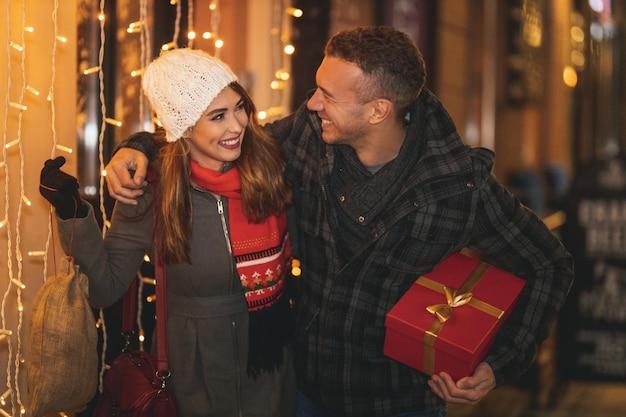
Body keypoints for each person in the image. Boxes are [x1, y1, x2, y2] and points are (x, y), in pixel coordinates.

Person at [104, 26, 575, 417]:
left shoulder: (458, 186)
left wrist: (500, 362)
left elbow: (549, 265)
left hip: (402, 403)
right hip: (304, 392)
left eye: (327, 95)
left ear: (377, 110)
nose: (311, 104)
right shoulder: (304, 138)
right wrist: (138, 148)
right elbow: (208, 135)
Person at [39, 49, 297, 417]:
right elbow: (105, 287)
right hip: (193, 373)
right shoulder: (153, 189)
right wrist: (72, 213)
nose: (238, 125)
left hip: (270, 363)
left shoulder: (269, 165)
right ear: (184, 127)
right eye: (218, 116)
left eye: (240, 107)